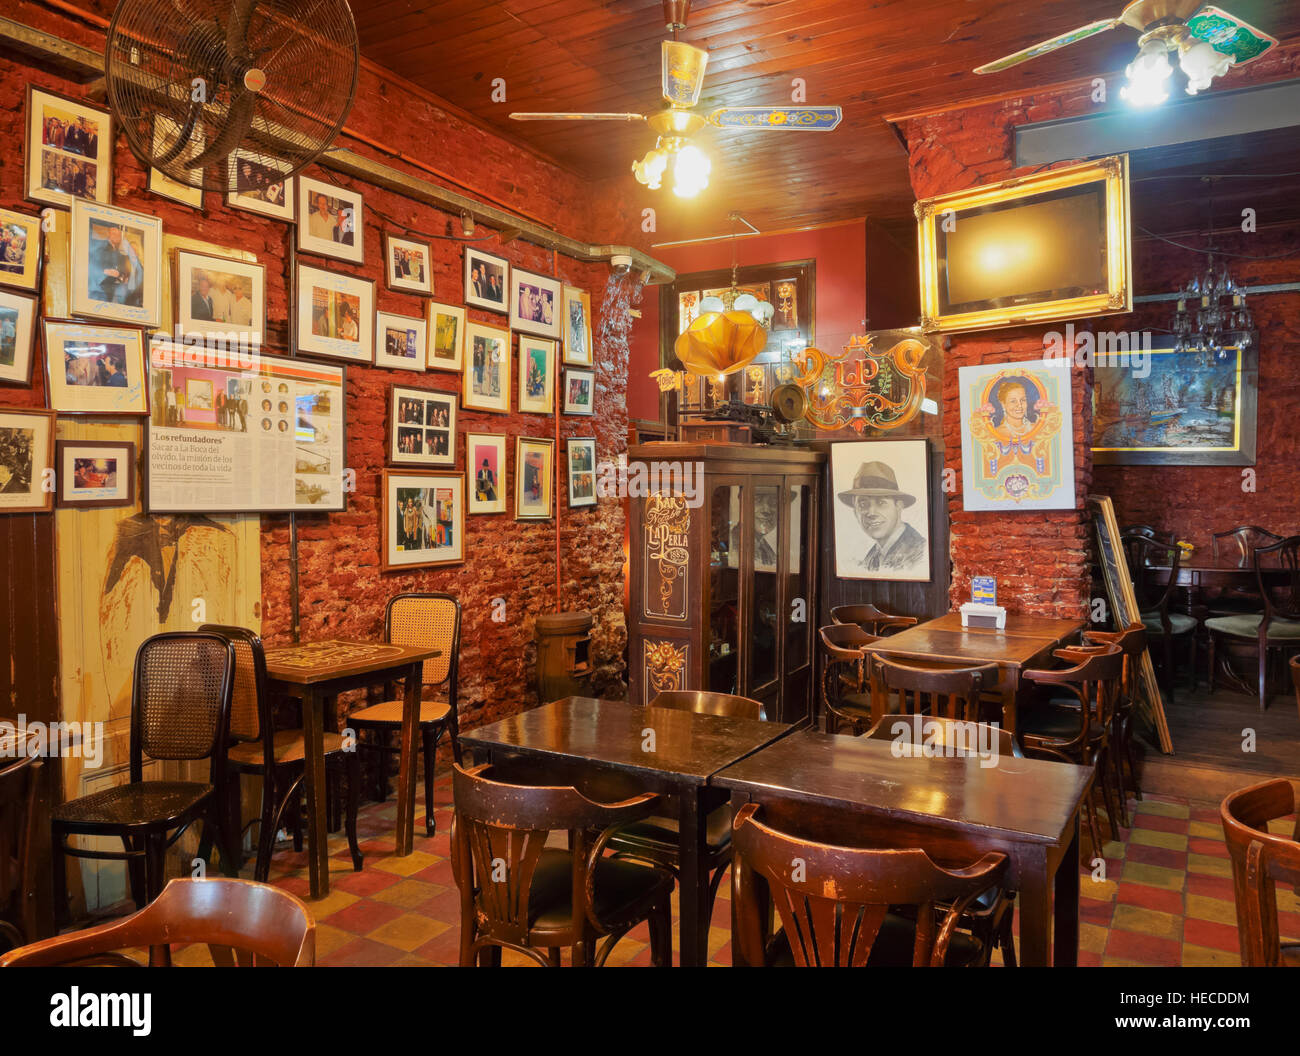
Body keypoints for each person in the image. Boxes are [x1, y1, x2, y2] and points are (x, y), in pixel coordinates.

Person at [837, 460, 926, 573]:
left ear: (899, 506)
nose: (871, 513)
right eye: (863, 504)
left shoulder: (920, 553)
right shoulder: (872, 558)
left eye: (881, 503)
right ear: (855, 513)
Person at [88, 223, 131, 303]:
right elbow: (92, 267)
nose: (116, 237)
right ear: (109, 234)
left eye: (118, 235)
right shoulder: (100, 247)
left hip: (113, 292)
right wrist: (104, 272)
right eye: (113, 233)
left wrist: (119, 275)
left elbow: (122, 272)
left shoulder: (120, 253)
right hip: (100, 292)